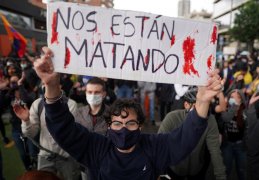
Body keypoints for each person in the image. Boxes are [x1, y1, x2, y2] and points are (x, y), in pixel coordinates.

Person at [34, 47, 223, 180]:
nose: (123, 129)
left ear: (140, 126)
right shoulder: (96, 148)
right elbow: (63, 129)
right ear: (109, 126)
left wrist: (203, 101)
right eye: (117, 124)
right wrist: (51, 86)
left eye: (131, 123)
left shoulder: (154, 147)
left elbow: (185, 138)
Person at [158, 87, 226, 180]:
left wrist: (221, 176)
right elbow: (159, 146)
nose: (203, 110)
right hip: (173, 170)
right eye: (198, 105)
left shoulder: (210, 120)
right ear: (186, 105)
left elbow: (215, 151)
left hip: (197, 170)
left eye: (206, 105)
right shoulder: (172, 118)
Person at [13, 89, 81, 180]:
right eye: (44, 82)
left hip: (66, 157)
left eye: (49, 81)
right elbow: (30, 133)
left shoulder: (71, 104)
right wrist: (26, 121)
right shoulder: (38, 104)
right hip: (45, 156)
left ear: (58, 83)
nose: (46, 85)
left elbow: (68, 134)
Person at [220, 89, 247, 180]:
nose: (234, 99)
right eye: (232, 97)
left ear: (242, 99)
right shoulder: (225, 109)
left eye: (237, 97)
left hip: (241, 145)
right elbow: (226, 119)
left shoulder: (245, 111)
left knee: (242, 170)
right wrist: (234, 107)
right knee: (226, 169)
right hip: (227, 144)